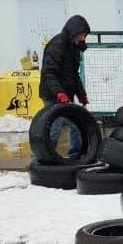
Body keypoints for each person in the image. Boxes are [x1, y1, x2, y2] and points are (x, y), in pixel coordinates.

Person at [39, 14, 91, 157]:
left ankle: (75, 156)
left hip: (66, 95)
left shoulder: (74, 47)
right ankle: (42, 160)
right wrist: (59, 93)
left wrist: (81, 94)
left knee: (77, 125)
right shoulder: (56, 46)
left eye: (85, 36)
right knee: (54, 128)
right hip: (52, 95)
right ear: (73, 33)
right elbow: (48, 73)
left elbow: (74, 74)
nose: (83, 39)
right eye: (81, 35)